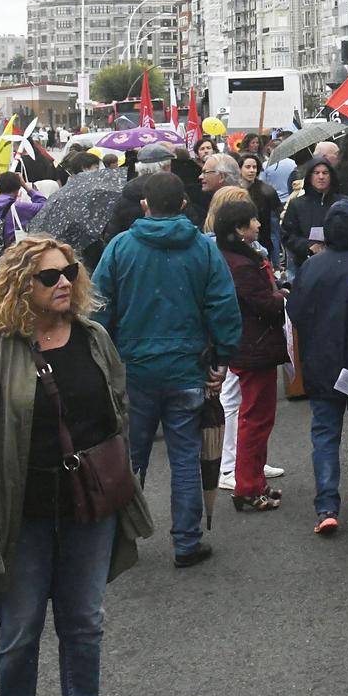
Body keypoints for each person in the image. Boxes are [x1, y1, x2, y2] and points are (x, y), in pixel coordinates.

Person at [0, 238, 153, 696]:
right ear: (22, 285)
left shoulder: (94, 338)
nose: (64, 282)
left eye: (69, 272)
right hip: (24, 512)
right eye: (49, 277)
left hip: (91, 506)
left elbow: (118, 404)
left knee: (84, 622)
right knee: (19, 629)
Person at [93, 172, 241, 570]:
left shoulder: (121, 247)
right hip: (186, 366)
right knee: (185, 457)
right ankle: (186, 541)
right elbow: (223, 305)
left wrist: (102, 361)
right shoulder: (202, 249)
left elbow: (98, 306)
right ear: (182, 205)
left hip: (134, 367)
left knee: (128, 458)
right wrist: (223, 356)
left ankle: (118, 541)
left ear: (144, 205)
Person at [287, 197, 348, 534]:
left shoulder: (312, 266)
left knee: (325, 434)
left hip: (322, 363)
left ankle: (326, 505)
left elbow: (295, 311)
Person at [214, 197, 290, 514]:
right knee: (254, 419)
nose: (259, 225)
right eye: (253, 221)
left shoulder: (237, 257)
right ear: (239, 228)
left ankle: (256, 483)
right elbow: (263, 303)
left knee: (259, 417)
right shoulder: (241, 265)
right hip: (253, 348)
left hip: (251, 347)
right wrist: (282, 296)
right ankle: (247, 487)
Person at [280, 156, 339, 268]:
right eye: (316, 173)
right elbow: (287, 235)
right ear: (309, 176)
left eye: (325, 173)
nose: (321, 177)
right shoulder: (297, 204)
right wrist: (308, 246)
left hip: (337, 262)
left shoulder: (342, 202)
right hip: (305, 264)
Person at [235, 152, 283, 260]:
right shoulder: (234, 189)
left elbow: (278, 211)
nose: (251, 170)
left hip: (263, 238)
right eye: (247, 167)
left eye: (254, 167)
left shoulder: (266, 190)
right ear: (240, 169)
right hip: (240, 239)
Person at [0, 172, 45, 248]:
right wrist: (25, 186)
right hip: (10, 252)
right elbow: (44, 205)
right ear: (17, 189)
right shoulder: (18, 207)